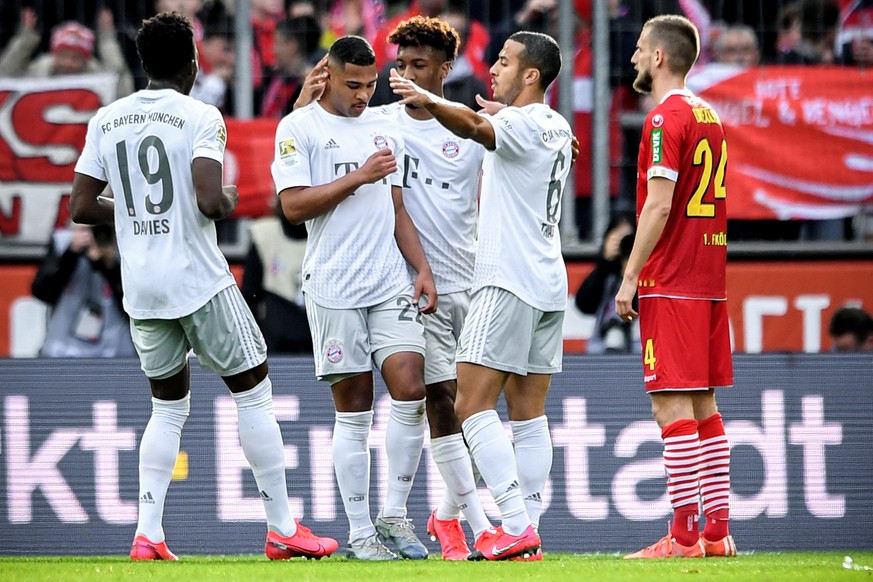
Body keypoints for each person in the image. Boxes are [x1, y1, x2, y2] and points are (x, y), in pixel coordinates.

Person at [68, 11, 338, 561]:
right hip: (196, 279)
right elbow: (211, 199)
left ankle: (148, 534)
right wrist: (235, 197)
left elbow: (79, 207)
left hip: (141, 287)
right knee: (253, 390)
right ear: (191, 62)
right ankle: (282, 527)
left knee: (167, 407)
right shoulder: (199, 115)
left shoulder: (107, 119)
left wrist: (131, 213)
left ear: (144, 63)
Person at [391, 30, 573, 561]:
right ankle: (529, 530)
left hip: (504, 279)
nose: (493, 68)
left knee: (470, 404)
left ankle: (513, 523)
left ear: (531, 75)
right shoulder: (557, 126)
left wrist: (429, 100)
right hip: (548, 283)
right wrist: (497, 114)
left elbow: (475, 125)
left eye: (504, 61)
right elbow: (495, 126)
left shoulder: (514, 124)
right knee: (529, 414)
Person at [271, 35, 437, 561]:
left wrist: (423, 267)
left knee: (412, 389)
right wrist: (358, 176)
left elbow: (396, 208)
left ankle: (392, 516)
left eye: (370, 85)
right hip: (333, 285)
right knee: (355, 411)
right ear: (329, 74)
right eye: (353, 85)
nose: (363, 95)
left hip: (389, 279)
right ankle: (361, 533)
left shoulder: (387, 126)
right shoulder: (299, 129)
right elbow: (294, 208)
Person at [614, 14, 736, 559]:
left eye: (641, 50)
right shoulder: (710, 114)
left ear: (660, 57)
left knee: (671, 409)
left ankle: (684, 537)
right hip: (709, 279)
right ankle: (716, 534)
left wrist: (630, 275)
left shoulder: (664, 119)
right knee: (704, 405)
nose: (635, 57)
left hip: (672, 278)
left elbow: (659, 204)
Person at [31, 222, 136, 358]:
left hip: (115, 352)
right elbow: (42, 292)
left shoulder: (128, 244)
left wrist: (110, 266)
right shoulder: (62, 242)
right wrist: (71, 253)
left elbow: (137, 304)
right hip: (62, 351)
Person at [0, 7, 134, 98]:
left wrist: (106, 39)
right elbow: (6, 75)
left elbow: (120, 82)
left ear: (86, 60)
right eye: (63, 56)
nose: (68, 63)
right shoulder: (39, 70)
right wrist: (25, 38)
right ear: (53, 54)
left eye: (76, 58)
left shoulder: (97, 73)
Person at [241, 203, 311, 354]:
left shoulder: (333, 235)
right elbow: (250, 294)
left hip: (321, 335)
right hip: (276, 340)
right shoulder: (264, 235)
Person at [575, 215, 639, 355]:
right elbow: (584, 304)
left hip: (638, 348)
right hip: (601, 349)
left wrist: (634, 267)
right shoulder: (606, 274)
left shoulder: (646, 275)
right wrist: (605, 261)